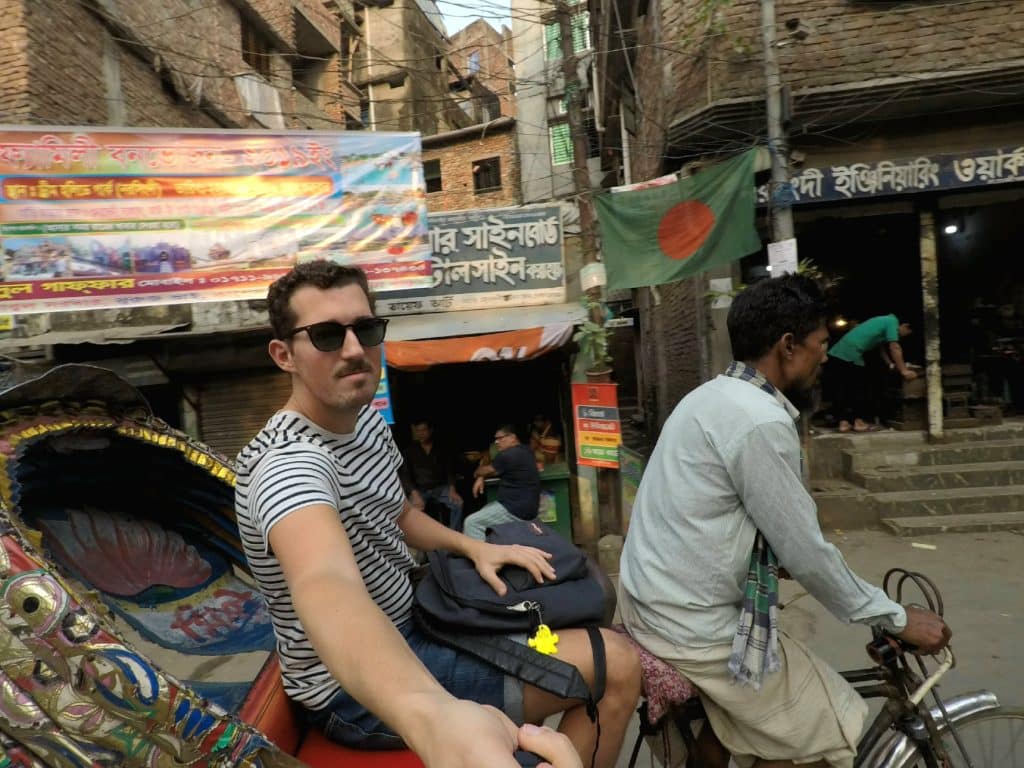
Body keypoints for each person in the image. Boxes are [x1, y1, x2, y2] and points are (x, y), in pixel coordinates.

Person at [234, 261, 640, 768]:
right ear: (283, 355)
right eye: (326, 335)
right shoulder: (287, 464)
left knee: (577, 608)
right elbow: (324, 581)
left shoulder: (365, 424)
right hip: (352, 693)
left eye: (366, 328)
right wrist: (435, 716)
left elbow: (399, 513)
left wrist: (476, 546)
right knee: (617, 665)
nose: (355, 349)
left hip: (421, 619)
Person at [618, 275, 951, 768]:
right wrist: (893, 616)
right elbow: (806, 553)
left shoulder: (711, 396)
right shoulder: (759, 421)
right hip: (688, 623)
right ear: (788, 346)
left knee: (758, 724)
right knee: (832, 721)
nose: (824, 357)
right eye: (820, 344)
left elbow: (755, 528)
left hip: (655, 599)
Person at [828, 313, 916, 433]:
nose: (902, 336)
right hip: (851, 353)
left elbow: (880, 348)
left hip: (839, 352)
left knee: (844, 388)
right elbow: (894, 347)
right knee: (858, 388)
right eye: (905, 334)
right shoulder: (891, 322)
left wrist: (890, 364)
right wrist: (904, 370)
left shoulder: (882, 321)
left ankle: (843, 423)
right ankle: (858, 422)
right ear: (905, 326)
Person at [464, 425, 541, 540]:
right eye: (496, 439)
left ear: (512, 438)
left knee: (471, 522)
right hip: (527, 507)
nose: (496, 442)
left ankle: (482, 556)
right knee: (484, 511)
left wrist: (480, 475)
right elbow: (491, 471)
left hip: (514, 509)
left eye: (500, 438)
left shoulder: (508, 455)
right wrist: (482, 477)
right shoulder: (526, 450)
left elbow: (479, 471)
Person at [399, 419, 464, 530]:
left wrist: (452, 490)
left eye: (423, 430)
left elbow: (450, 470)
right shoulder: (410, 451)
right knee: (412, 511)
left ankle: (453, 534)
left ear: (430, 431)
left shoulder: (442, 448)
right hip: (420, 490)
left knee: (458, 504)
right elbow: (405, 475)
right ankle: (425, 543)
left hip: (440, 488)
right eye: (418, 431)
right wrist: (414, 494)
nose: (420, 434)